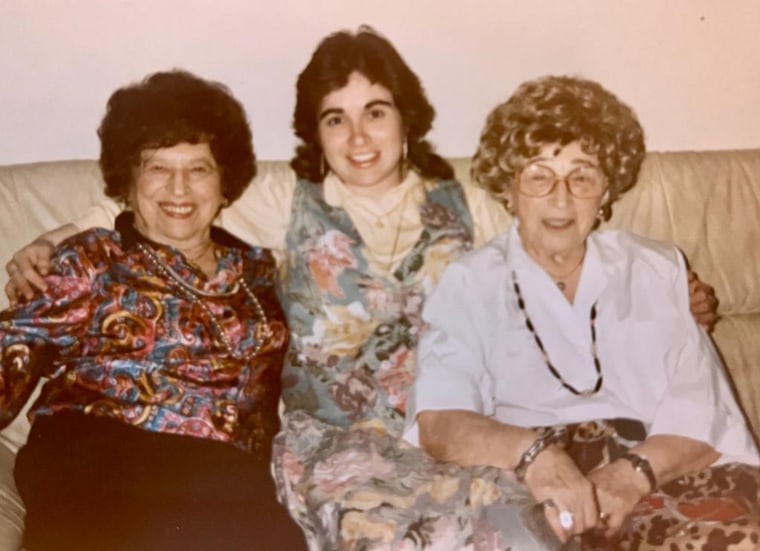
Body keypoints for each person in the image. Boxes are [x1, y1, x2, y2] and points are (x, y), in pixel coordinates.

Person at [2, 28, 719, 549]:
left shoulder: (468, 199)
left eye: (376, 111)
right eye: (335, 118)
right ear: (316, 133)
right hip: (326, 443)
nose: (360, 137)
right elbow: (162, 206)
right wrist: (54, 236)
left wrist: (671, 288)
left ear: (407, 121)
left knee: (526, 532)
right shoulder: (286, 203)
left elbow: (563, 225)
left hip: (453, 432)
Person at [407, 75, 760, 550]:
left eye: (582, 176)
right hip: (526, 481)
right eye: (538, 175)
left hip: (657, 470)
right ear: (508, 189)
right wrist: (535, 456)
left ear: (606, 191)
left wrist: (633, 474)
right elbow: (441, 422)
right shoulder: (468, 282)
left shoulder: (655, 266)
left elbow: (703, 408)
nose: (560, 197)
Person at [0, 70, 305, 550]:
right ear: (128, 179)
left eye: (198, 168)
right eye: (158, 168)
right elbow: (9, 363)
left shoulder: (262, 275)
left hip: (228, 478)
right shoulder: (91, 259)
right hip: (99, 457)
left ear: (225, 183)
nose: (178, 189)